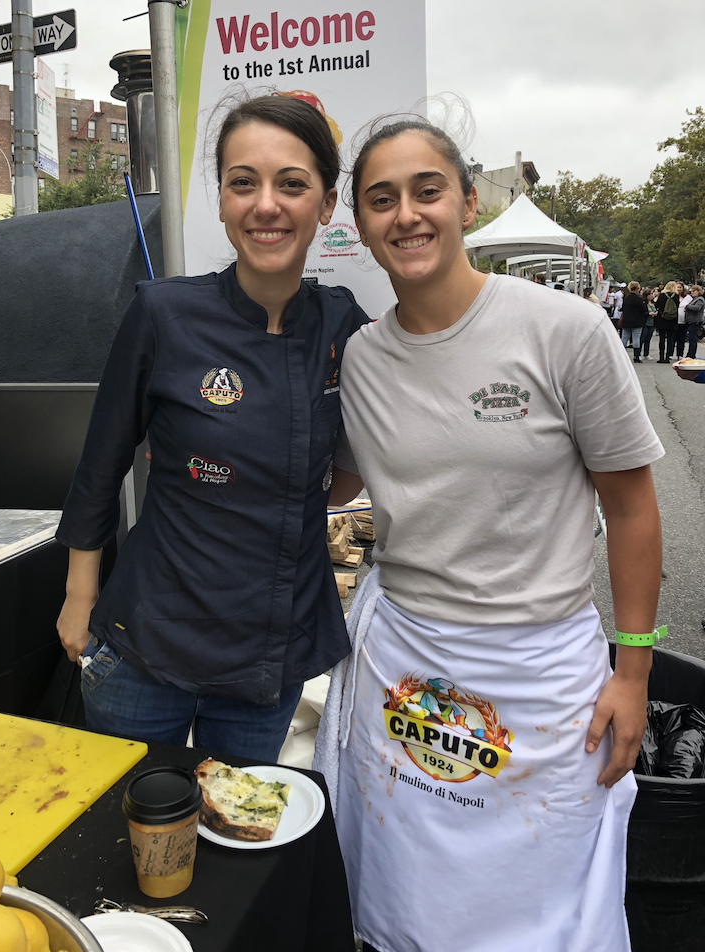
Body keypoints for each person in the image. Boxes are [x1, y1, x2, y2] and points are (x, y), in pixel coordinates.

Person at [316, 116, 664, 952]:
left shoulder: (566, 332)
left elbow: (632, 508)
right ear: (358, 227)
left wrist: (634, 669)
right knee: (404, 894)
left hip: (542, 677)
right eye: (382, 199)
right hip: (405, 669)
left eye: (427, 191)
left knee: (541, 902)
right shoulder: (360, 358)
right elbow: (337, 487)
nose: (407, 215)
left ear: (468, 201)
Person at [55, 94, 368, 761]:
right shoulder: (164, 315)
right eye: (242, 183)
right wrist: (79, 594)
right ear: (221, 200)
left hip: (266, 653)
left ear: (327, 205)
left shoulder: (345, 326)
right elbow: (100, 465)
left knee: (237, 842)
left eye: (292, 184)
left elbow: (349, 473)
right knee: (127, 840)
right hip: (148, 639)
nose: (266, 205)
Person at [620, 280, 647, 362]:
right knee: (636, 339)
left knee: (624, 338)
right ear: (638, 288)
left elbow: (623, 308)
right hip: (637, 321)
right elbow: (643, 310)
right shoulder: (638, 299)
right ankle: (636, 356)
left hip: (626, 321)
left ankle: (621, 355)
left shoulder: (626, 298)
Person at [655, 280, 680, 362]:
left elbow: (657, 305)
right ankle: (668, 357)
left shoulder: (662, 295)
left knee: (662, 339)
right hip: (673, 319)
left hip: (662, 319)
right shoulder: (676, 296)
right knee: (670, 339)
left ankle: (661, 357)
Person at [682, 285, 705, 358]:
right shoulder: (694, 299)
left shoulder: (700, 299)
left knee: (692, 339)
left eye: (694, 291)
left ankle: (691, 354)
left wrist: (687, 307)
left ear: (698, 291)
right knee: (691, 338)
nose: (692, 293)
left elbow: (697, 308)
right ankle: (690, 354)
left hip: (695, 322)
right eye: (691, 291)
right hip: (691, 321)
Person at [676, 282, 692, 359]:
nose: (678, 289)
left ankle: (680, 354)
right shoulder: (672, 296)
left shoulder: (688, 297)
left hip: (683, 321)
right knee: (673, 338)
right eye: (677, 287)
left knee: (681, 338)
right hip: (673, 320)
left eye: (680, 287)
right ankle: (670, 354)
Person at [640, 287, 657, 358]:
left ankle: (646, 353)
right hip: (645, 322)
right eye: (649, 294)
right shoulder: (643, 303)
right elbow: (642, 313)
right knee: (642, 338)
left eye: (651, 294)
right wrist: (648, 313)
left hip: (652, 323)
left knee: (648, 339)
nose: (651, 295)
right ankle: (638, 353)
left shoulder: (653, 303)